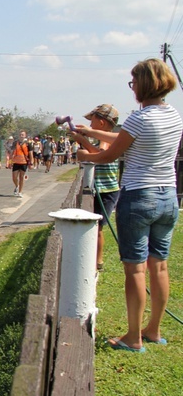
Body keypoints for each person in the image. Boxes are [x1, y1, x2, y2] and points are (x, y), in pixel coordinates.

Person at [76, 58, 182, 352]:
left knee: (135, 270)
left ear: (144, 84)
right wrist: (92, 132)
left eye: (133, 82)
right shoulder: (173, 115)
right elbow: (126, 138)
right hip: (168, 197)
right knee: (159, 266)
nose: (132, 87)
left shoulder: (139, 118)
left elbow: (110, 155)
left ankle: (133, 337)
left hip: (139, 197)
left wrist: (85, 156)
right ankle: (153, 330)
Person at [70, 104, 121, 272]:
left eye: (92, 121)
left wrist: (83, 142)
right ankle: (94, 259)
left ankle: (97, 261)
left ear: (101, 123)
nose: (90, 125)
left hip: (106, 190)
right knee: (96, 226)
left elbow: (100, 155)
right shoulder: (106, 138)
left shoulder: (106, 140)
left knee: (97, 227)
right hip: (100, 189)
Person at [9, 130, 31, 197]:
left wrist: (31, 163)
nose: (21, 136)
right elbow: (12, 152)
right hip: (16, 161)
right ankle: (17, 186)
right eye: (20, 134)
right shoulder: (15, 143)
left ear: (25, 136)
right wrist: (10, 161)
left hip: (24, 162)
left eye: (23, 135)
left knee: (21, 177)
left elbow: (30, 153)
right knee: (14, 177)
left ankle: (20, 192)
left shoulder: (28, 143)